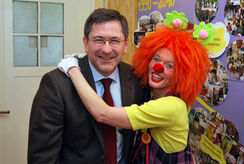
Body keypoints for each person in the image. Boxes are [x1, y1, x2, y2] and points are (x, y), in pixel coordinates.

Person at [58, 24, 211, 163]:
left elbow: (102, 114)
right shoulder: (152, 93)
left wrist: (73, 69)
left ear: (182, 74)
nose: (158, 67)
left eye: (169, 65)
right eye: (156, 59)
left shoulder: (171, 106)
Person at [28, 8, 150, 164]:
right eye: (98, 40)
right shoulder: (56, 84)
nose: (106, 49)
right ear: (86, 43)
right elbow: (42, 157)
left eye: (114, 41)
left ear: (125, 44)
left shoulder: (137, 78)